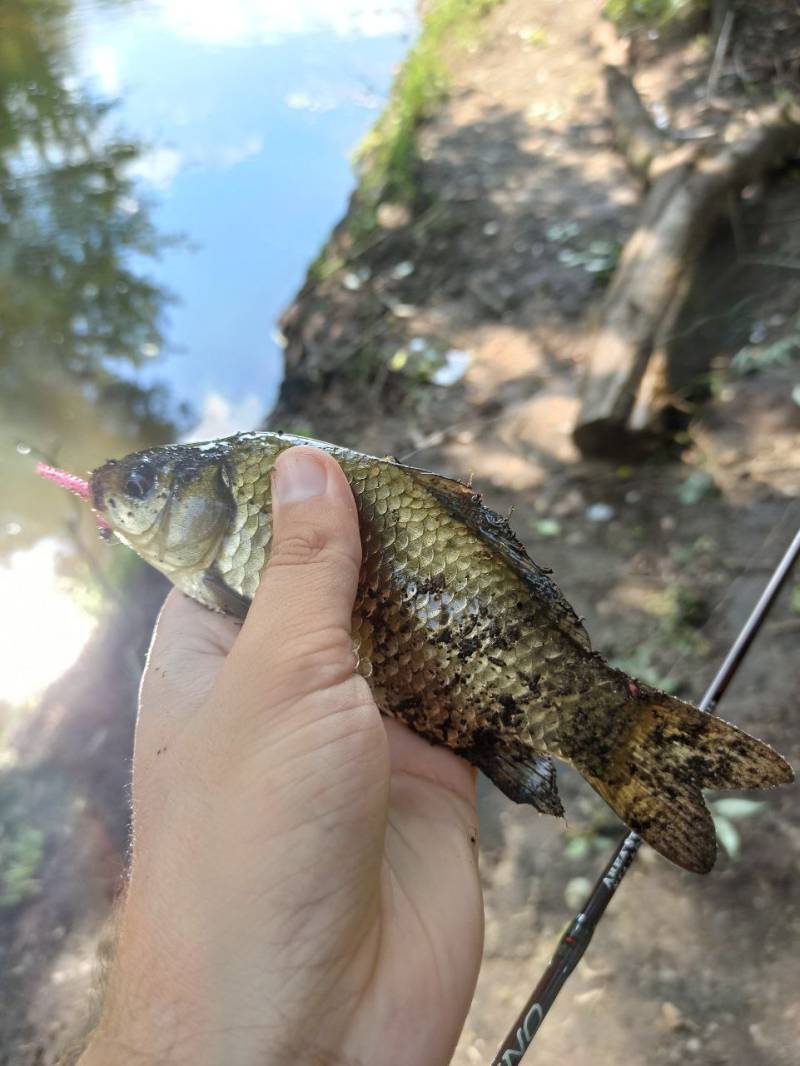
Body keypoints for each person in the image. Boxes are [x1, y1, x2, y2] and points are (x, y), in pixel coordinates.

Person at [77, 446, 484, 1066]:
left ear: (209, 493)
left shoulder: (219, 562)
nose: (124, 498)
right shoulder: (210, 562)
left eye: (141, 484)